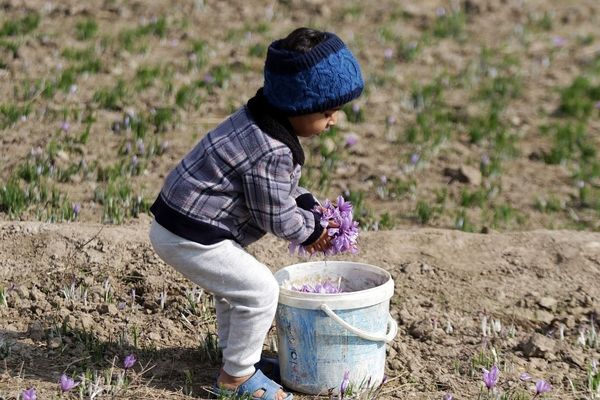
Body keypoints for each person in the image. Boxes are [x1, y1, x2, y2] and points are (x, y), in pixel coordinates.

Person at [148, 27, 364, 400]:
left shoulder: (262, 118)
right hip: (191, 234)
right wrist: (313, 233)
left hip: (186, 223)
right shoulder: (271, 150)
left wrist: (311, 207)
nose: (335, 121)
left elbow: (277, 189)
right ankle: (235, 380)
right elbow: (276, 215)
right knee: (260, 290)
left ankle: (237, 360)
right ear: (297, 107)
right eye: (327, 112)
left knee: (236, 291)